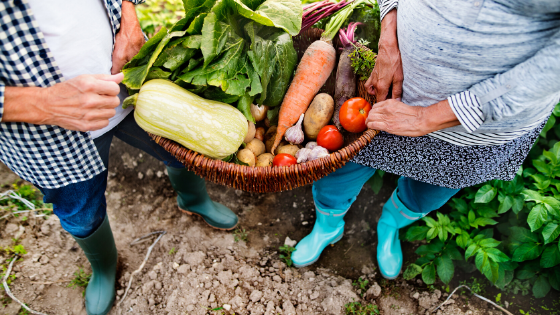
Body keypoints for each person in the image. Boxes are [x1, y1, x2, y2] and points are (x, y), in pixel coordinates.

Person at [292, 0, 560, 280]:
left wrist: (428, 118)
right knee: (338, 170)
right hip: (386, 91)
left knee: (426, 194)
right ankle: (328, 226)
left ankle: (389, 225)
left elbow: (551, 67)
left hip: (475, 131)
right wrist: (388, 36)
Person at [0, 1, 238, 314]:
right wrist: (44, 103)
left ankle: (193, 200)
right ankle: (105, 268)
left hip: (130, 75)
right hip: (45, 132)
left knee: (182, 149)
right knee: (81, 209)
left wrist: (129, 15)